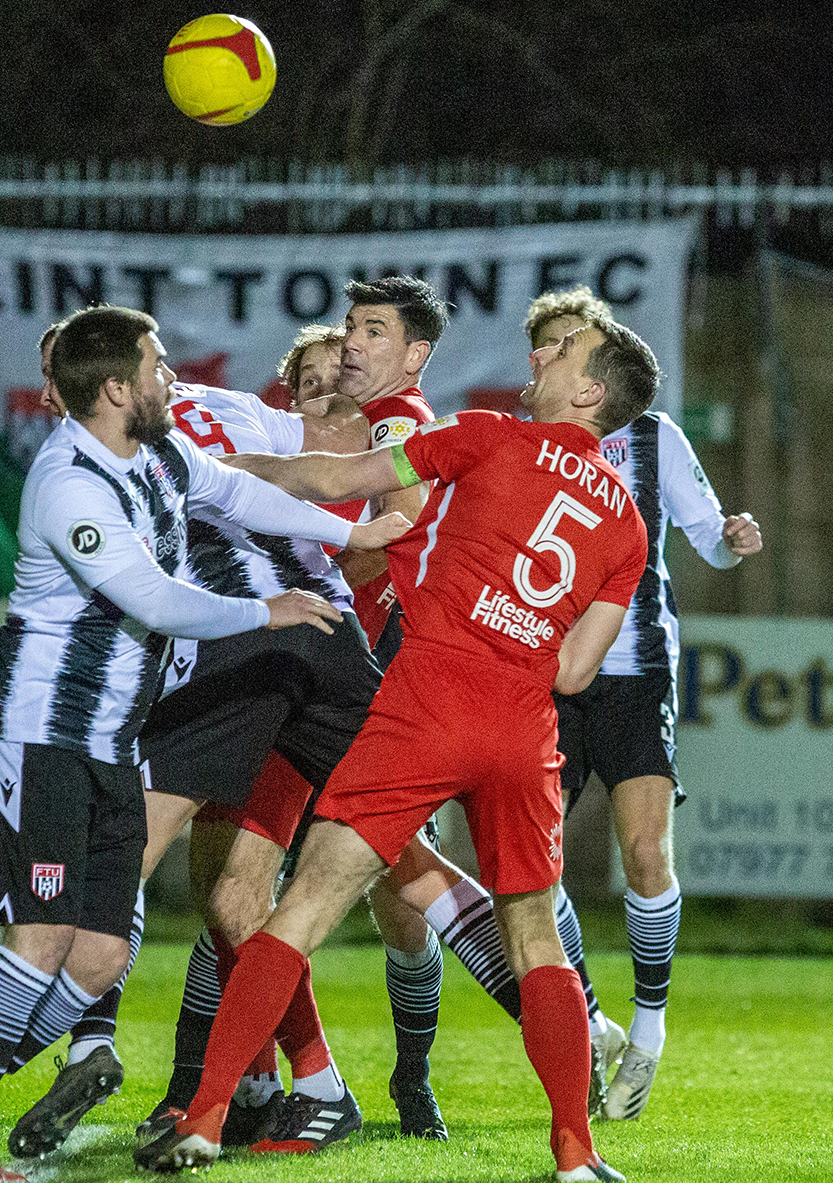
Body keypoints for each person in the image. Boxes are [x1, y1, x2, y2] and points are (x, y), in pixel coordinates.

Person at [136, 315, 658, 1183]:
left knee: (300, 907)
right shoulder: (629, 529)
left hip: (426, 704)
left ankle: (205, 1114)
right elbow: (573, 671)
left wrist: (213, 472)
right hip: (523, 731)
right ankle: (575, 1151)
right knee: (537, 940)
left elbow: (334, 477)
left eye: (560, 352)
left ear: (590, 390)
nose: (540, 353)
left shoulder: (486, 435)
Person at [0, 305, 407, 1183]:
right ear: (116, 389)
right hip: (40, 739)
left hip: (108, 742)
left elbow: (239, 490)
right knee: (43, 937)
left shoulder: (160, 452)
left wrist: (350, 534)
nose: (175, 376)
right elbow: (157, 597)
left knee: (98, 956)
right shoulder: (69, 482)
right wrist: (268, 608)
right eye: (159, 364)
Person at [9, 328, 375, 1161]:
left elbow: (168, 587)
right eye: (309, 380)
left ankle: (52, 1058)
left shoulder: (154, 448)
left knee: (123, 856)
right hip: (314, 643)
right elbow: (334, 457)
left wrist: (375, 463)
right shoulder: (190, 435)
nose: (170, 376)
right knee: (238, 896)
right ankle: (275, 1089)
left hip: (255, 646)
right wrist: (361, 504)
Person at [524, 288, 763, 1120]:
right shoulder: (523, 443)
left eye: (569, 346)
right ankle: (591, 1021)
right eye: (546, 346)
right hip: (546, 673)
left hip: (635, 669)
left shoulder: (654, 438)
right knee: (533, 861)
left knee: (645, 853)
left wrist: (732, 541)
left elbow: (707, 539)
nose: (554, 359)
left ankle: (650, 1031)